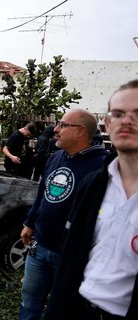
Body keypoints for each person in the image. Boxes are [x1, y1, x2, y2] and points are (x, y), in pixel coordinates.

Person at [44, 81, 138, 320]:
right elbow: (71, 253)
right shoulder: (94, 184)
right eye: (118, 114)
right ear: (107, 124)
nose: (126, 121)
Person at [19, 109, 109, 320]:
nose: (56, 130)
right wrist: (30, 223)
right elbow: (43, 193)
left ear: (80, 131)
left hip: (70, 255)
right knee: (29, 301)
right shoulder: (56, 157)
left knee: (62, 309)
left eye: (62, 125)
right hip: (39, 247)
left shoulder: (103, 165)